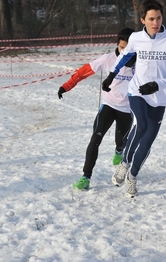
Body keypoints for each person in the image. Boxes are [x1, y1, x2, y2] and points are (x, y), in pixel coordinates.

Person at [101, 0, 166, 198]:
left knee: (148, 139)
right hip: (137, 91)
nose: (156, 23)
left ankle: (133, 176)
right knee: (141, 126)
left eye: (158, 18)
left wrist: (158, 85)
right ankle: (124, 163)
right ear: (142, 20)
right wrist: (112, 74)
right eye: (151, 19)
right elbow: (124, 55)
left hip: (159, 96)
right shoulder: (136, 38)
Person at [57, 27, 136, 190]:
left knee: (121, 142)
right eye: (122, 48)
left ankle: (119, 150)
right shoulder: (108, 59)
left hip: (127, 110)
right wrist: (66, 86)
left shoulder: (141, 62)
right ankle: (85, 177)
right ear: (117, 45)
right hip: (108, 105)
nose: (125, 52)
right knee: (95, 139)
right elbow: (84, 71)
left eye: (129, 49)